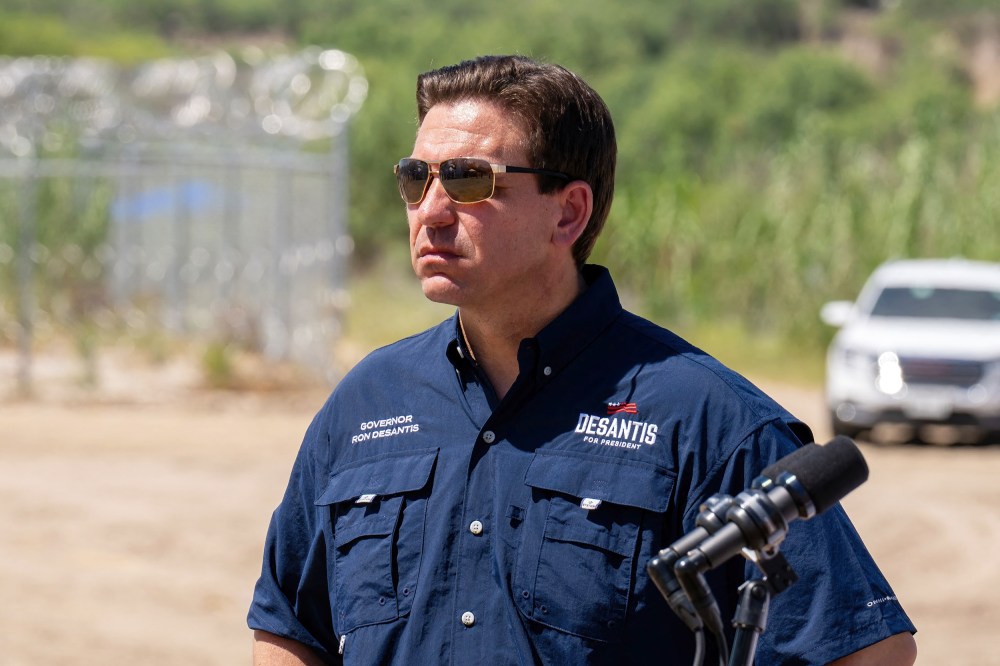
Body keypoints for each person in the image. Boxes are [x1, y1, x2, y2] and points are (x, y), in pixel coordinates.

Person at [248, 54, 917, 665]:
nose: (432, 210)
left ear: (568, 213)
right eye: (415, 177)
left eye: (467, 180)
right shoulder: (370, 398)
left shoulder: (705, 418)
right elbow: (290, 631)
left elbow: (867, 652)